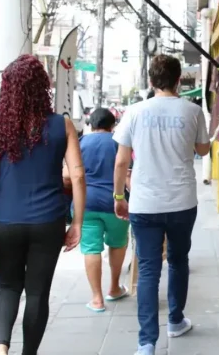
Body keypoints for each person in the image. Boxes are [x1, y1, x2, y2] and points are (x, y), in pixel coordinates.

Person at [0, 55, 86, 355]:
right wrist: (78, 223)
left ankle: (0, 348)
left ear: (7, 88)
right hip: (49, 222)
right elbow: (78, 175)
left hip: (6, 221)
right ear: (41, 88)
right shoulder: (63, 125)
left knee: (6, 287)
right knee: (37, 294)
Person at [113, 54, 210, 355]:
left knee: (148, 269)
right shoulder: (192, 111)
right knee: (179, 260)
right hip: (182, 201)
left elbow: (121, 161)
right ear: (179, 79)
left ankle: (146, 343)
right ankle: (176, 321)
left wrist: (119, 197)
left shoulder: (135, 112)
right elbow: (203, 150)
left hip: (144, 202)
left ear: (151, 81)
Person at [63, 108, 129, 312]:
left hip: (86, 203)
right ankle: (114, 288)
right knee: (117, 244)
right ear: (112, 125)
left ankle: (97, 299)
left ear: (91, 124)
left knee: (91, 248)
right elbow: (127, 173)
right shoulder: (119, 142)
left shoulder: (80, 142)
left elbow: (67, 176)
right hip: (115, 203)